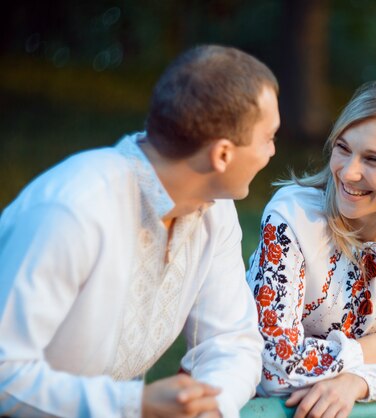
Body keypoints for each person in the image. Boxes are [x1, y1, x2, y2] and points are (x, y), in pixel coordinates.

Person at [0, 44, 280, 418]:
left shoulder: (215, 210)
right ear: (223, 154)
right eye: (268, 138)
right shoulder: (73, 210)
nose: (272, 152)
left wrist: (212, 407)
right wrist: (135, 406)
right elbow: (5, 375)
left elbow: (231, 341)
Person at [246, 80, 376, 418]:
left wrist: (355, 383)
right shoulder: (293, 217)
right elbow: (272, 367)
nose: (348, 172)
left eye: (372, 159)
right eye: (343, 148)